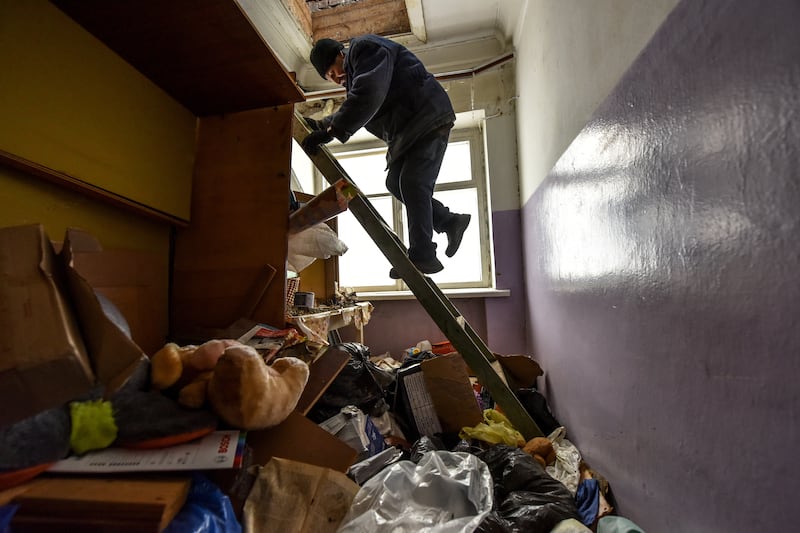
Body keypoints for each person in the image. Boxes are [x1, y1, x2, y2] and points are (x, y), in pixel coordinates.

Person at [301, 35, 471, 279]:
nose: (334, 77)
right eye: (328, 76)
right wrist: (321, 126)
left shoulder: (365, 50)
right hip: (408, 133)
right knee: (395, 183)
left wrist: (330, 132)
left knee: (413, 183)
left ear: (341, 54)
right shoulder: (358, 77)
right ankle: (449, 221)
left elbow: (368, 95)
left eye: (332, 69)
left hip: (426, 118)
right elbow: (358, 103)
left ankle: (424, 255)